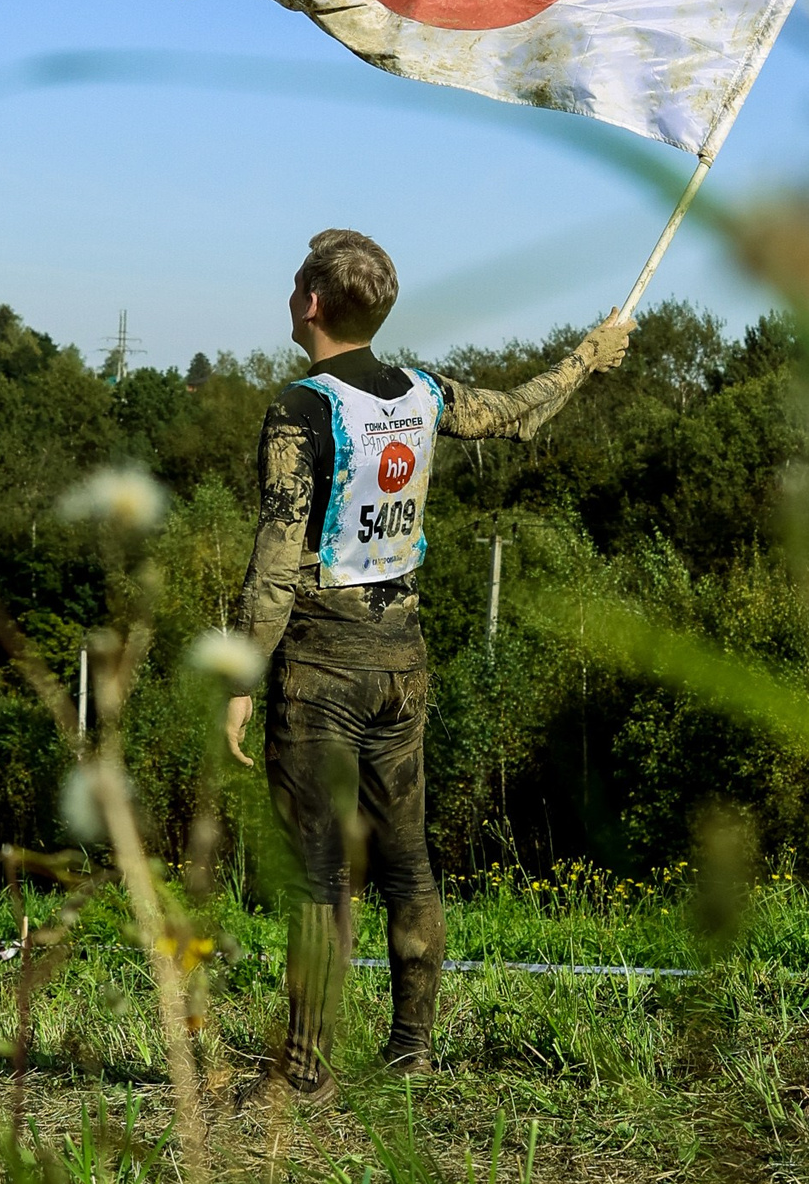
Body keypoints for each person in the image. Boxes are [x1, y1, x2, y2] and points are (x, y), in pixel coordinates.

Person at [225, 227, 630, 1101]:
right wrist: (587, 356)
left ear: (312, 304)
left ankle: (305, 1071)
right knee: (407, 861)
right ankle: (412, 1049)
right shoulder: (424, 392)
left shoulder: (299, 411)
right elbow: (517, 412)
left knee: (320, 874)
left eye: (296, 285)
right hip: (403, 665)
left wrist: (239, 676)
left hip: (321, 671)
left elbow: (275, 561)